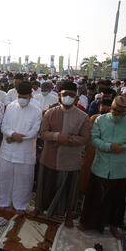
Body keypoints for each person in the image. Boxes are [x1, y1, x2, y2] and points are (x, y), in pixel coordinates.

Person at [79, 96, 126, 239]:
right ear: (111, 108)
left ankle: (113, 225)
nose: (117, 115)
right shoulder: (101, 120)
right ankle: (87, 222)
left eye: (121, 113)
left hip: (120, 168)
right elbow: (94, 139)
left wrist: (122, 147)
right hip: (100, 165)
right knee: (94, 196)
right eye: (115, 111)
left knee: (116, 200)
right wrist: (108, 146)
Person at [32, 81, 90, 227]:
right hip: (49, 156)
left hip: (70, 160)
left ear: (76, 97)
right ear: (59, 96)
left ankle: (68, 215)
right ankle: (39, 208)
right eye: (65, 95)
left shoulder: (83, 117)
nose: (68, 97)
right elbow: (43, 133)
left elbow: (86, 138)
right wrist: (58, 136)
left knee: (70, 190)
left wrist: (69, 139)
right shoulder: (50, 113)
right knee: (45, 185)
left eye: (71, 95)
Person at [0, 81, 42, 213]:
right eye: (20, 96)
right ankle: (4, 201)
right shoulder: (11, 106)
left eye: (25, 97)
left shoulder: (37, 110)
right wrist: (12, 134)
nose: (22, 99)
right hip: (7, 150)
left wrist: (16, 138)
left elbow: (35, 131)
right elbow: (4, 125)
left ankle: (20, 205)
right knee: (4, 176)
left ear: (31, 96)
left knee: (23, 180)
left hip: (25, 151)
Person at [78, 99, 112, 194]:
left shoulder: (111, 120)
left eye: (107, 107)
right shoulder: (93, 118)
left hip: (103, 149)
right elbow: (87, 133)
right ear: (99, 107)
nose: (104, 109)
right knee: (86, 168)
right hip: (91, 148)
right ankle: (83, 189)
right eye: (103, 106)